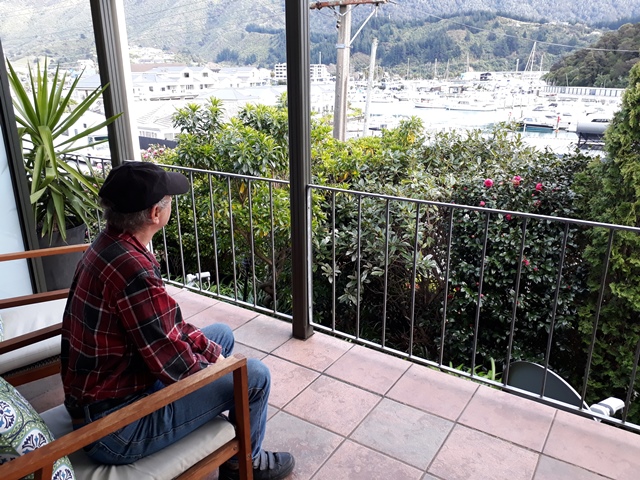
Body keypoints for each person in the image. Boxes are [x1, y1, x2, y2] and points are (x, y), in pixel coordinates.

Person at [61, 161, 294, 480]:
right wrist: (220, 368)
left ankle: (232, 434)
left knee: (221, 335)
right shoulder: (133, 271)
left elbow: (166, 326)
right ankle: (243, 465)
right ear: (155, 213)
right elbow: (174, 362)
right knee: (254, 376)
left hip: (109, 391)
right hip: (115, 429)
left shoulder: (109, 245)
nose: (172, 203)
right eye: (169, 200)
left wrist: (214, 355)